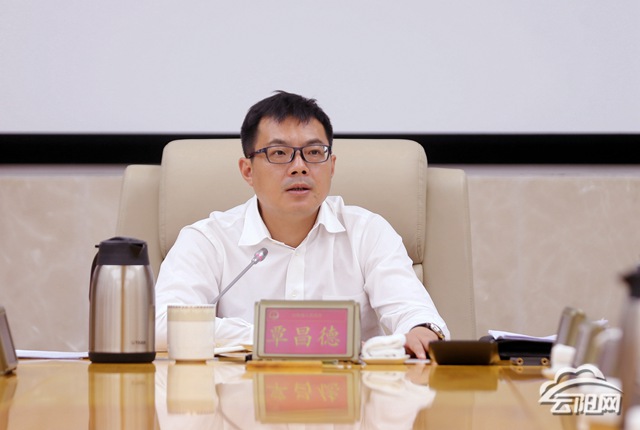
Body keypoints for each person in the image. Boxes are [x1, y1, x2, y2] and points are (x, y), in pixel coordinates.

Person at [154, 91, 449, 359]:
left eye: (314, 152)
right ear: (248, 171)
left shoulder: (367, 232)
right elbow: (161, 325)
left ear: (332, 166)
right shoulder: (208, 239)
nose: (299, 167)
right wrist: (276, 336)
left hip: (353, 397)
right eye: (279, 153)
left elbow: (415, 314)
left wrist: (422, 330)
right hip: (239, 396)